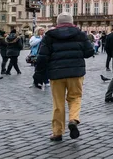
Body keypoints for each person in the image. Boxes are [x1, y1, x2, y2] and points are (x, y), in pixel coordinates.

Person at [34, 12, 94, 141]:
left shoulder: (49, 36)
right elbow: (89, 52)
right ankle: (73, 119)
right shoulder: (80, 34)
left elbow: (42, 57)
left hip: (56, 73)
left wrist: (38, 74)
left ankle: (57, 132)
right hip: (76, 72)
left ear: (58, 23)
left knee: (58, 103)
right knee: (75, 97)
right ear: (72, 22)